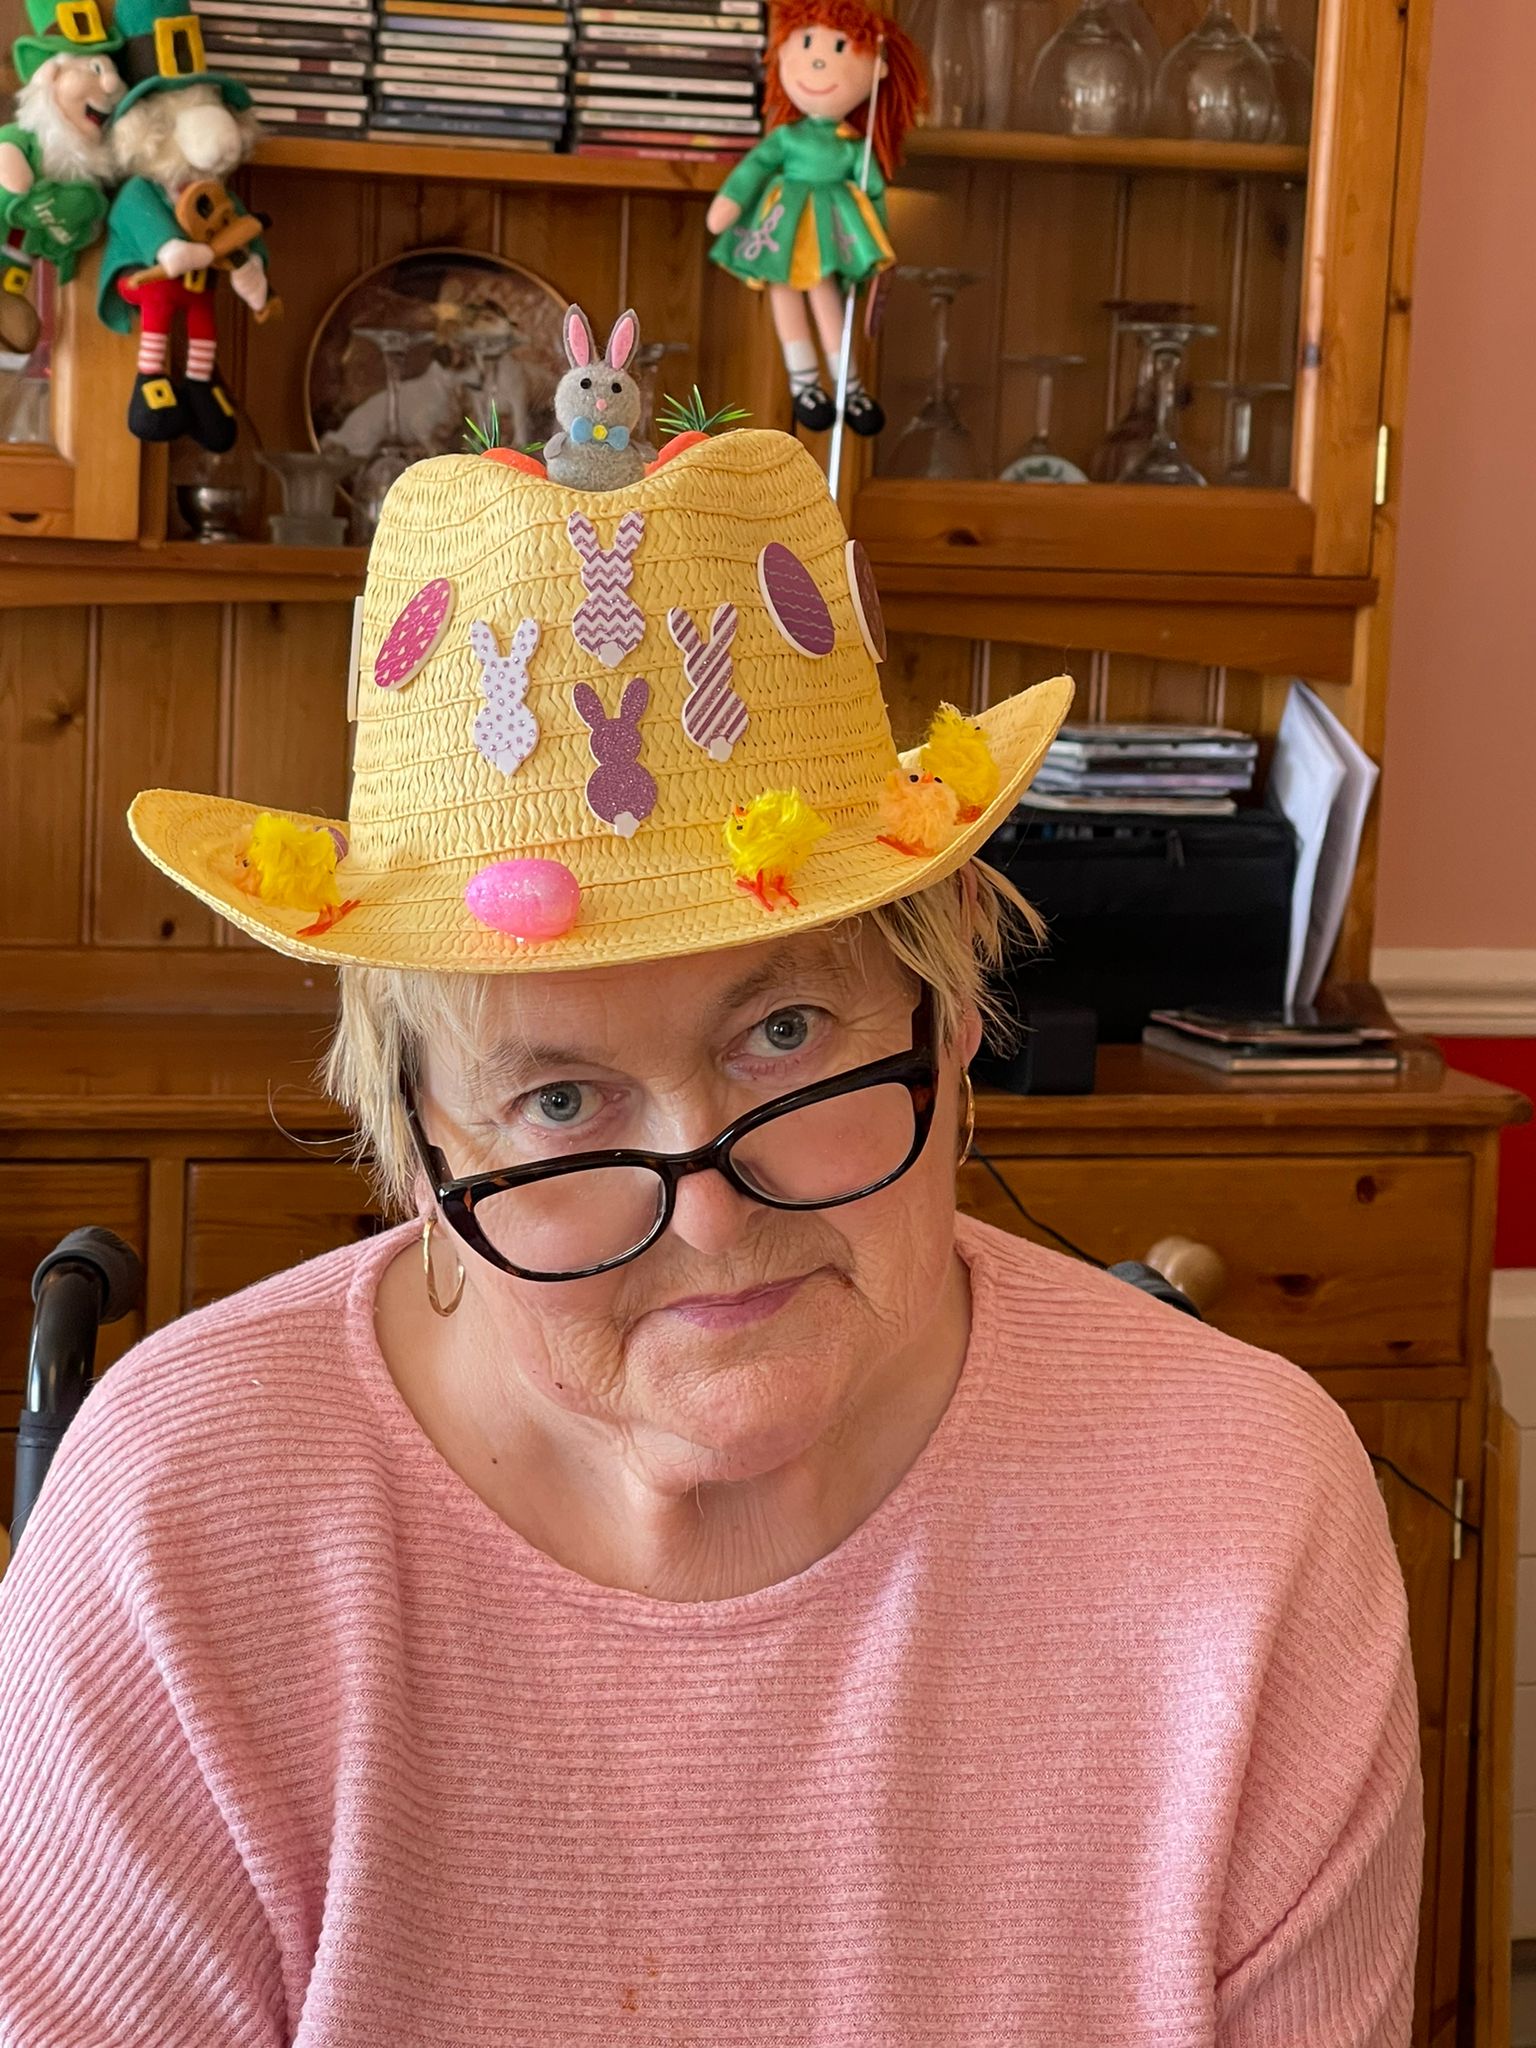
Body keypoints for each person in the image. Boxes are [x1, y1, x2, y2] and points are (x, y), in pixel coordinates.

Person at [0, 415, 1423, 2045]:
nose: (711, 1210)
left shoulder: (1250, 1514)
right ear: (420, 1140)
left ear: (953, 1000)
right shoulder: (181, 1523)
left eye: (784, 1037)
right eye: (559, 1102)